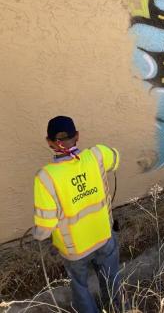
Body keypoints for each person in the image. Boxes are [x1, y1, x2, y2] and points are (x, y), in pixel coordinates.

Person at [33, 116, 123, 313]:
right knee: (111, 279)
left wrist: (37, 235)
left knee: (80, 288)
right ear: (78, 136)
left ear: (49, 142)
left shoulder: (45, 177)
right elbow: (116, 159)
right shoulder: (97, 155)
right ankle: (116, 309)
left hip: (74, 251)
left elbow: (45, 229)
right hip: (104, 236)